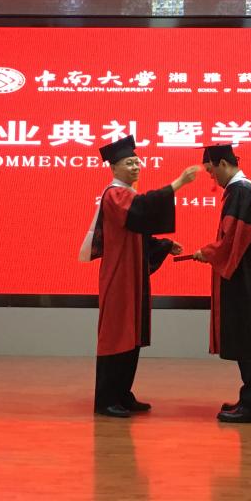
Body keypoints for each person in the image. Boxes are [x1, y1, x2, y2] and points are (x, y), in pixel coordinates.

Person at [81, 135, 198, 418]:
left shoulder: (128, 195)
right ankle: (106, 399)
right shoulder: (114, 195)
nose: (135, 167)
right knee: (116, 335)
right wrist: (178, 184)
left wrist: (165, 245)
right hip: (119, 275)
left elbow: (138, 232)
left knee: (131, 335)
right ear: (114, 168)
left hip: (132, 275)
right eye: (128, 163)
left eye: (137, 162)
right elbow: (142, 208)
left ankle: (123, 393)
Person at [193, 144, 251, 423]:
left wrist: (207, 252)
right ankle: (249, 398)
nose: (211, 177)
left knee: (249, 341)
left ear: (222, 164)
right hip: (247, 275)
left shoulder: (241, 191)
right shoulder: (245, 190)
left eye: (211, 171)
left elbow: (234, 238)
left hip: (245, 280)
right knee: (247, 339)